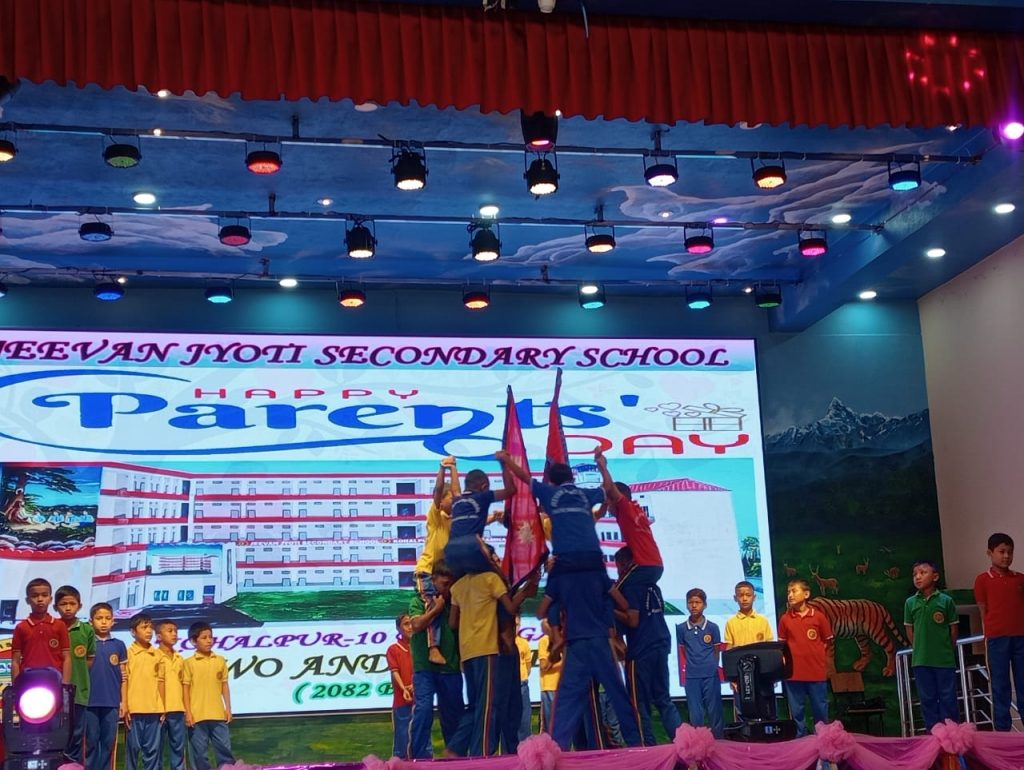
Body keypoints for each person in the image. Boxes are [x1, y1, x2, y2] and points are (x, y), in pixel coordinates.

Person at [539, 565, 643, 750]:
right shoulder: (597, 580)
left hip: (580, 645)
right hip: (594, 643)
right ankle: (630, 745)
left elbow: (542, 613)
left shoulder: (564, 584)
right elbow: (623, 606)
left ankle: (578, 749)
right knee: (600, 700)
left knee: (581, 704)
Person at [447, 557, 537, 756]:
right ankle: (481, 754)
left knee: (483, 705)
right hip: (490, 649)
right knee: (491, 706)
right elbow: (510, 608)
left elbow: (452, 623)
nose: (497, 561)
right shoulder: (490, 579)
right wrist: (525, 593)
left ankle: (463, 750)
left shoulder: (459, 585)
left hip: (470, 651)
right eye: (493, 557)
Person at [613, 546, 680, 745]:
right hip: (661, 644)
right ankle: (684, 744)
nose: (618, 572)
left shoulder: (630, 587)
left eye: (618, 567)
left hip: (641, 649)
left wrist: (608, 609)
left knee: (639, 702)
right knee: (663, 699)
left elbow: (633, 620)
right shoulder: (653, 586)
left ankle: (646, 747)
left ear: (626, 564)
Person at [407, 560, 464, 759]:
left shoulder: (455, 603)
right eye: (445, 584)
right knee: (423, 711)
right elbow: (416, 625)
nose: (448, 588)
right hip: (425, 668)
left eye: (451, 584)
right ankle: (417, 758)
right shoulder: (418, 601)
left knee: (454, 715)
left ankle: (455, 759)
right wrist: (435, 610)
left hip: (451, 667)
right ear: (433, 580)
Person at [444, 450, 528, 577]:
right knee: (496, 577)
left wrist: (453, 467)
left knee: (460, 583)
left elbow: (455, 489)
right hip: (471, 546)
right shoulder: (483, 496)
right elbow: (511, 490)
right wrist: (503, 463)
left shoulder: (457, 500)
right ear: (484, 487)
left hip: (450, 550)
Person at [973, 532, 1024, 732]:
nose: (1006, 556)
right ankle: (1003, 732)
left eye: (1010, 552)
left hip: (1021, 638)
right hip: (996, 639)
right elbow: (983, 611)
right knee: (1000, 685)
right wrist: (988, 634)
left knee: (1023, 683)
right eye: (1002, 551)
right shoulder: (983, 580)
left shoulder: (1020, 579)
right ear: (990, 552)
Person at [415, 456, 460, 665]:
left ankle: (457, 651)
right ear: (441, 502)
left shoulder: (454, 521)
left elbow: (459, 497)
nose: (453, 501)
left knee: (453, 608)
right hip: (427, 572)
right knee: (433, 605)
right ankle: (433, 648)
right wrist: (444, 468)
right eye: (449, 498)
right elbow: (438, 489)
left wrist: (455, 468)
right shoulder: (436, 518)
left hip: (444, 575)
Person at [905, 560, 959, 729]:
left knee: (948, 698)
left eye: (923, 573)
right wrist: (919, 648)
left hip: (944, 660)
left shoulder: (946, 601)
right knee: (927, 699)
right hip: (921, 661)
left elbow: (953, 631)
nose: (918, 577)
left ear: (935, 576)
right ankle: (933, 734)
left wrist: (946, 649)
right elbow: (910, 631)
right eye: (915, 574)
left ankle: (951, 735)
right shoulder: (910, 603)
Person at [777, 579, 834, 737]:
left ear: (806, 594)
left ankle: (823, 740)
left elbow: (827, 642)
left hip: (816, 672)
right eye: (788, 592)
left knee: (820, 709)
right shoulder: (785, 619)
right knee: (797, 712)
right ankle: (800, 741)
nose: (790, 595)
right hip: (793, 674)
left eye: (794, 591)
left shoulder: (819, 617)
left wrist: (819, 658)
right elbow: (781, 646)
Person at [183, 621, 235, 770]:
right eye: (204, 638)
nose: (209, 641)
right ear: (194, 641)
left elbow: (224, 685)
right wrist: (188, 712)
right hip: (197, 715)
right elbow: (185, 689)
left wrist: (228, 708)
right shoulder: (189, 663)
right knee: (199, 754)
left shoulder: (219, 660)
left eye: (210, 637)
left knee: (224, 750)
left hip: (218, 714)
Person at [55, 584, 96, 763]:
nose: (68, 608)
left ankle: (72, 764)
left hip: (79, 691)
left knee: (77, 731)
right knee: (57, 729)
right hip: (55, 692)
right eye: (63, 604)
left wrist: (77, 675)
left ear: (80, 606)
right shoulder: (53, 628)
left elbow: (89, 659)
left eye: (72, 604)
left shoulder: (87, 630)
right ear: (55, 606)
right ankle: (57, 762)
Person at [676, 588, 724, 738]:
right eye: (690, 602)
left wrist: (710, 666)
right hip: (692, 676)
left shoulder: (712, 627)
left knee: (714, 710)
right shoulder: (681, 628)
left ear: (705, 605)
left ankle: (719, 742)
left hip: (710, 675)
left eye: (697, 602)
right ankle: (698, 743)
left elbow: (716, 650)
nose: (694, 605)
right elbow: (684, 650)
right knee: (695, 713)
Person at [85, 602, 127, 770]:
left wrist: (123, 702)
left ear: (113, 621)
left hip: (111, 702)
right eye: (99, 618)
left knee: (108, 743)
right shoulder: (86, 643)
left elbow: (124, 676)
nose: (103, 622)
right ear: (91, 621)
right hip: (89, 702)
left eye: (107, 618)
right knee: (91, 741)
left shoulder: (119, 645)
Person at [12, 578, 72, 684]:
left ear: (50, 599)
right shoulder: (21, 627)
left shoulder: (60, 625)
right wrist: (16, 686)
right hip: (28, 680)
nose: (40, 599)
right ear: (27, 600)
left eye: (44, 595)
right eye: (34, 596)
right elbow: (15, 661)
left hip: (54, 680)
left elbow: (66, 657)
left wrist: (65, 684)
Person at [124, 613, 164, 770]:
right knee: (133, 749)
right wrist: (125, 705)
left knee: (152, 750)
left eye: (150, 627)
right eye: (144, 627)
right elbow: (125, 680)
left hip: (153, 709)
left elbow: (160, 682)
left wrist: (162, 707)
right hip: (134, 709)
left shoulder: (157, 654)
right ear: (133, 631)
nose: (149, 631)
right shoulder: (128, 653)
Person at [156, 620, 186, 770]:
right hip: (158, 711)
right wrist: (160, 707)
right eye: (169, 631)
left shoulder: (180, 658)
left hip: (177, 709)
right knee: (156, 749)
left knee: (178, 748)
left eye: (175, 631)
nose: (174, 634)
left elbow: (184, 685)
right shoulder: (154, 656)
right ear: (159, 636)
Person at [386, 614, 414, 759]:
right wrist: (404, 689)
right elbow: (394, 671)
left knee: (422, 737)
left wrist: (415, 685)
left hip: (420, 700)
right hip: (401, 700)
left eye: (411, 623)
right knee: (402, 737)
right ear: (398, 628)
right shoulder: (394, 649)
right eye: (406, 624)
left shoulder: (420, 648)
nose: (410, 627)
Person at [724, 580, 774, 649]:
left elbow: (769, 644)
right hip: (740, 656)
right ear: (735, 598)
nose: (744, 599)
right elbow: (729, 647)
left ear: (754, 597)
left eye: (748, 595)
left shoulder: (763, 621)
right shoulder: (731, 622)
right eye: (741, 595)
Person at [537, 619, 561, 733]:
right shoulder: (544, 641)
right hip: (549, 688)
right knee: (550, 727)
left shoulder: (564, 640)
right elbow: (543, 666)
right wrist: (555, 654)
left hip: (564, 687)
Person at [516, 621, 534, 740]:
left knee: (524, 720)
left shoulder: (523, 643)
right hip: (507, 687)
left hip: (522, 685)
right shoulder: (500, 642)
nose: (515, 626)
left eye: (518, 624)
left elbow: (528, 666)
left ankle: (525, 748)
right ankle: (509, 750)